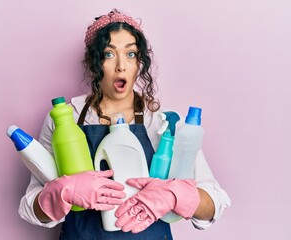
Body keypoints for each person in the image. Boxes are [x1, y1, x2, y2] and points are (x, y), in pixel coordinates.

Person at [18, 9, 231, 239]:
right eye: (109, 54)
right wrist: (61, 193)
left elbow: (215, 202)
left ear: (140, 62)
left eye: (131, 54)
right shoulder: (64, 119)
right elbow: (32, 209)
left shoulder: (162, 122)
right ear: (94, 62)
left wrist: (176, 195)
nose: (121, 66)